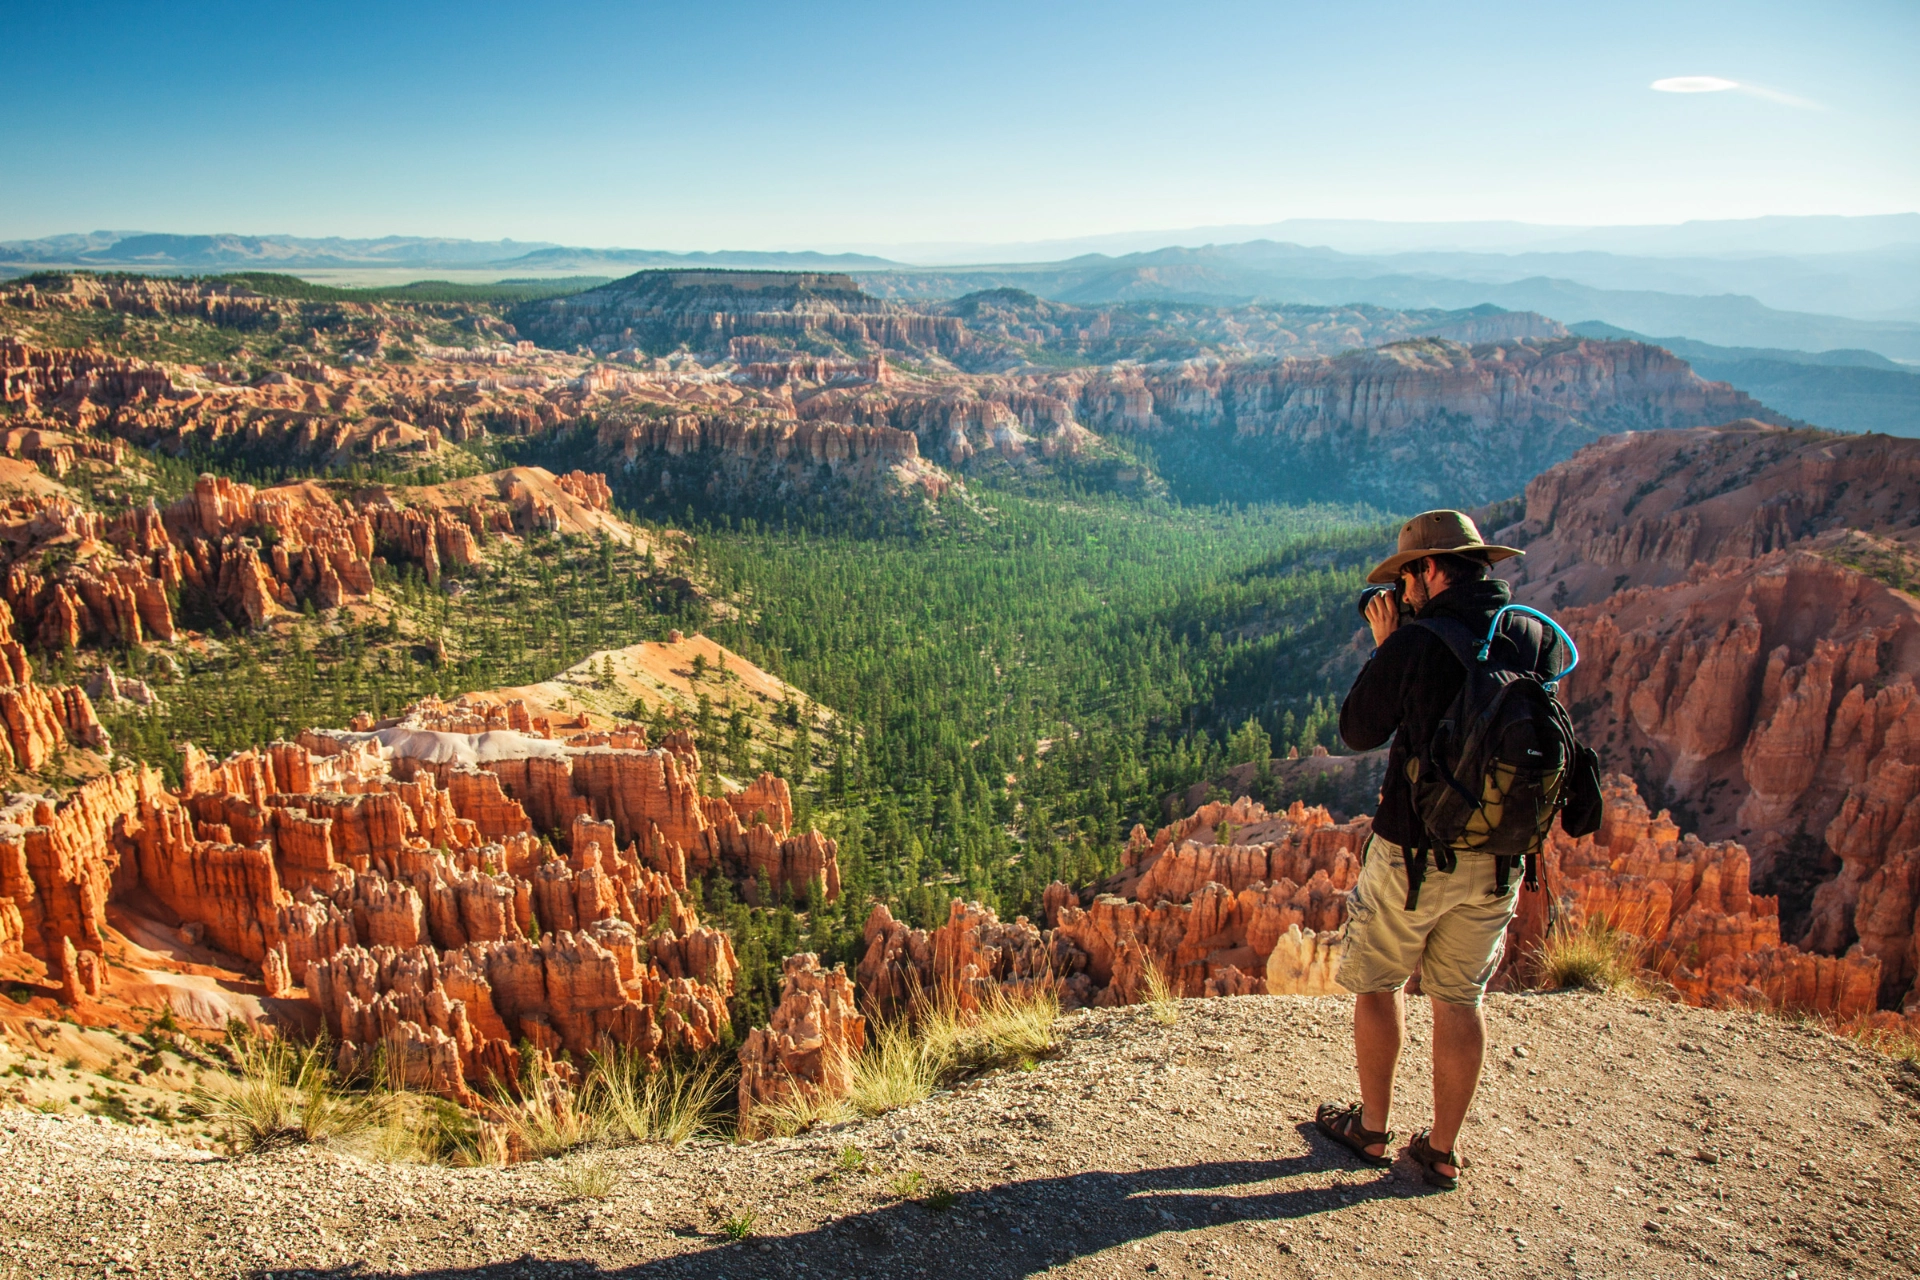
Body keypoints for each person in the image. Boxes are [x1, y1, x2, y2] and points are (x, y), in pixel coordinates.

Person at [1315, 508, 1538, 1191]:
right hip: (1501, 858)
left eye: (1408, 575)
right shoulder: (1526, 635)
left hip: (1414, 852)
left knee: (1380, 983)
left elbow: (1357, 729)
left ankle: (1372, 1131)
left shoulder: (1416, 644)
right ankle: (1442, 1150)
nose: (1403, 590)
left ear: (1431, 569)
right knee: (1459, 998)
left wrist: (1389, 647)